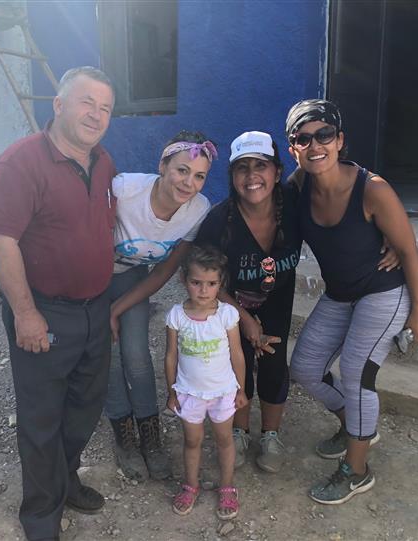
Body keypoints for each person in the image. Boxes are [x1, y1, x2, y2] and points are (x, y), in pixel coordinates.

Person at [0, 66, 116, 540]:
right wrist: (25, 313)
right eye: (86, 102)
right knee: (41, 417)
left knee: (84, 405)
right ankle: (40, 515)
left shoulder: (102, 161)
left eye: (105, 108)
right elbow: (1, 241)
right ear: (58, 105)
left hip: (95, 309)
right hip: (44, 311)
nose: (96, 115)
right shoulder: (19, 164)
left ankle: (66, 479)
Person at [285, 99, 418, 505]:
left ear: (340, 140)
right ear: (293, 146)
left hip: (382, 293)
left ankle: (357, 470)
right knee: (306, 368)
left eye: (324, 135)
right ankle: (355, 426)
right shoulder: (297, 187)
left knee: (356, 373)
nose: (316, 146)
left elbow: (409, 249)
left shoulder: (373, 189)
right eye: (303, 138)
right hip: (340, 294)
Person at [105, 131, 216, 481]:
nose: (189, 183)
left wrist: (117, 309)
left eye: (199, 176)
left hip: (132, 278)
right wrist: (97, 307)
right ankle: (123, 433)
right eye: (182, 170)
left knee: (136, 353)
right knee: (107, 354)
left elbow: (163, 272)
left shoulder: (198, 210)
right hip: (88, 277)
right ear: (162, 166)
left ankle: (149, 434)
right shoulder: (124, 190)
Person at [195, 131, 300, 474]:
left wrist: (385, 240)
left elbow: (335, 226)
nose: (252, 175)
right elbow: (210, 281)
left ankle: (271, 435)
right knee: (234, 364)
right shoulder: (218, 221)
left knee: (273, 363)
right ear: (232, 176)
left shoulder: (295, 209)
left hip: (277, 298)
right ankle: (238, 431)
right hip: (230, 302)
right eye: (242, 168)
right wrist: (244, 319)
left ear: (276, 171)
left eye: (260, 165)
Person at [164, 245, 248, 520]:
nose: (203, 290)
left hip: (223, 393)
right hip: (189, 393)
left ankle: (227, 486)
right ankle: (191, 485)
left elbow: (237, 354)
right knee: (192, 441)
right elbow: (171, 356)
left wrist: (241, 389)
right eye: (196, 282)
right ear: (183, 280)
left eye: (211, 284)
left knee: (224, 440)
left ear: (220, 284)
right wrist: (171, 391)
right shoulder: (176, 315)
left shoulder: (227, 315)